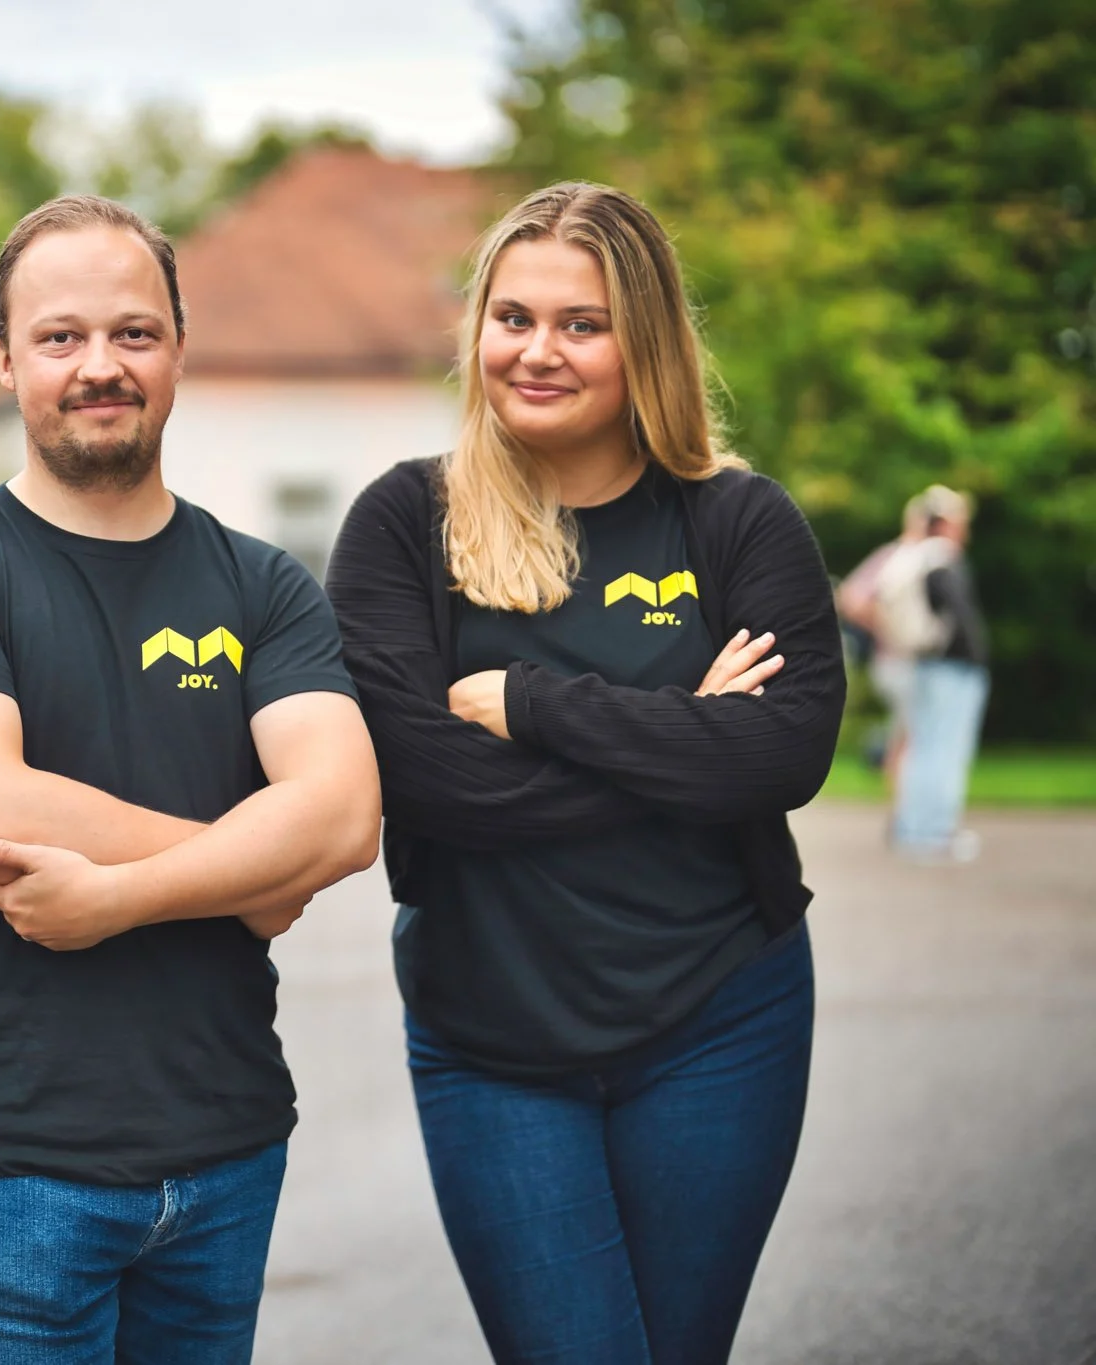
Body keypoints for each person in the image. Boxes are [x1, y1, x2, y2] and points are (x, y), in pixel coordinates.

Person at [327, 182, 845, 1365]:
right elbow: (427, 782)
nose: (537, 351)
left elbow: (784, 753)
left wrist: (529, 704)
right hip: (489, 1039)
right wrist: (686, 740)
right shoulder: (405, 523)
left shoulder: (735, 522)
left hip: (722, 1018)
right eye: (512, 318)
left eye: (581, 324)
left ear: (642, 342)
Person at [0, 195, 381, 1364]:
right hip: (7, 1159)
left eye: (133, 333)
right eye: (59, 336)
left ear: (178, 350)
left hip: (226, 1141)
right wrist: (252, 871)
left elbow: (345, 816)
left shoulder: (264, 585)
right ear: (4, 360)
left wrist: (120, 895)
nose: (99, 365)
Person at [886, 485, 989, 862]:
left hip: (927, 665)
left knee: (925, 747)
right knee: (946, 751)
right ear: (944, 522)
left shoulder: (914, 556)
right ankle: (936, 831)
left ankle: (914, 829)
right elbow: (960, 618)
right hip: (952, 669)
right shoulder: (943, 558)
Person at [835, 493, 930, 784]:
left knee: (907, 733)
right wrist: (889, 630)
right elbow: (850, 597)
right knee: (910, 736)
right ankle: (904, 804)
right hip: (898, 659)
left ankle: (903, 803)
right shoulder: (899, 557)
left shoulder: (918, 557)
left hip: (905, 661)